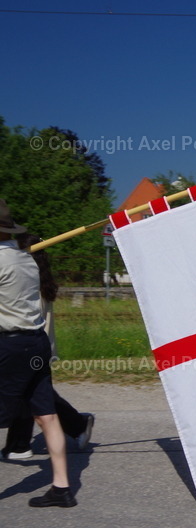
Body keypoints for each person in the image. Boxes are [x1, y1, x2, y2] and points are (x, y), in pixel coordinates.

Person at [0, 199, 76, 507]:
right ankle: (61, 487)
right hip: (35, 341)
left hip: (8, 344)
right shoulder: (26, 260)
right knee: (47, 415)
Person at [2, 232, 94, 459]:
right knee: (30, 394)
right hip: (35, 344)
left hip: (29, 343)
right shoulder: (35, 273)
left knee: (31, 394)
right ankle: (19, 444)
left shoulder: (27, 275)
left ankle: (76, 424)